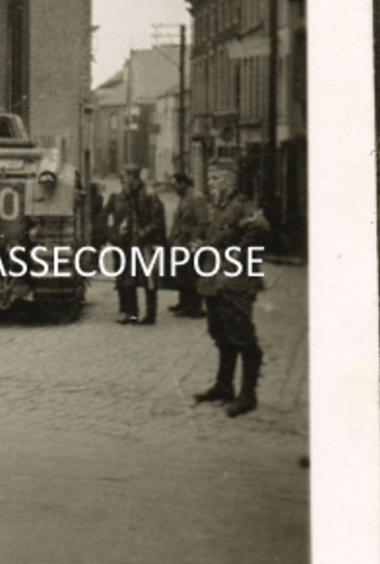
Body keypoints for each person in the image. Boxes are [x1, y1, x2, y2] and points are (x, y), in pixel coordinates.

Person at [192, 159, 270, 417]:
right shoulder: (219, 207)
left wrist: (236, 259)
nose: (211, 183)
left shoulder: (242, 205)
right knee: (221, 334)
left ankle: (248, 395)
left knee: (243, 337)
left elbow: (260, 229)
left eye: (215, 179)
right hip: (214, 282)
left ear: (230, 181)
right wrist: (202, 246)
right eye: (211, 178)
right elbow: (219, 239)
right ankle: (224, 386)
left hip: (235, 283)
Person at [103, 163, 167, 325]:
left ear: (134, 177)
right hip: (127, 244)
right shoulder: (124, 194)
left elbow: (157, 221)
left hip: (146, 243)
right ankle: (132, 312)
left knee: (149, 279)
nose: (123, 180)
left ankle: (150, 314)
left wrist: (142, 234)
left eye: (125, 176)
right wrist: (116, 233)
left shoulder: (148, 194)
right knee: (127, 279)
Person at [167, 172, 212, 317]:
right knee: (181, 273)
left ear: (183, 183)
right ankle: (184, 303)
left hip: (191, 242)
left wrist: (196, 243)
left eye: (175, 185)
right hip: (181, 242)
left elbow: (203, 223)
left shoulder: (197, 198)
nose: (174, 189)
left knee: (192, 274)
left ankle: (195, 307)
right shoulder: (184, 197)